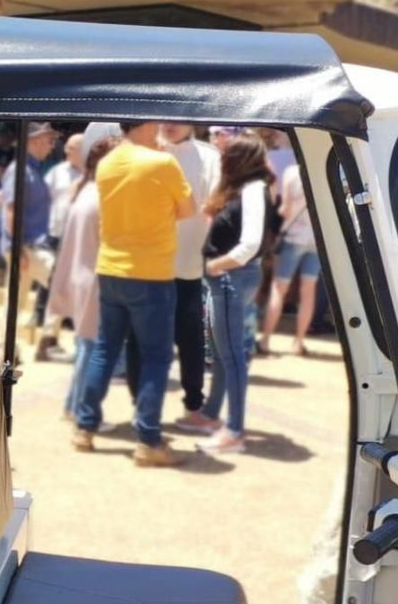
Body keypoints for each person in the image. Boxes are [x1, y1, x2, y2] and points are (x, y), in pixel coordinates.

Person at [73, 122, 194, 466]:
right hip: (151, 273)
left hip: (111, 268)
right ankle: (149, 439)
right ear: (151, 126)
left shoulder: (107, 162)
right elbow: (188, 211)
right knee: (156, 357)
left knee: (105, 349)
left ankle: (85, 427)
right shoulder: (162, 163)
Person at [198, 136, 277, 455]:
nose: (220, 158)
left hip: (231, 277)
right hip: (228, 277)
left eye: (225, 154)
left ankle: (234, 431)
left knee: (230, 356)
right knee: (223, 352)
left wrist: (216, 265)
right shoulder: (245, 188)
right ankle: (212, 414)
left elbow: (250, 244)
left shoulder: (253, 189)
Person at [47, 131, 120, 429]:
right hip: (94, 280)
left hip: (81, 278)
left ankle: (72, 405)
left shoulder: (85, 189)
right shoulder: (101, 195)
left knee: (85, 348)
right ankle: (81, 411)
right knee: (91, 350)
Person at [159, 123, 221, 431]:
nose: (168, 125)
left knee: (190, 341)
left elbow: (215, 207)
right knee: (146, 342)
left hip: (189, 267)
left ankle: (193, 405)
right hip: (148, 266)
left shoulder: (209, 158)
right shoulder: (146, 151)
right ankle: (146, 415)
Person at [0, 122, 60, 358]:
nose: (52, 147)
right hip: (27, 247)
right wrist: (19, 250)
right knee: (64, 286)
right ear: (37, 141)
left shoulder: (31, 169)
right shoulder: (20, 170)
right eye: (49, 141)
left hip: (29, 246)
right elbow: (11, 210)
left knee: (16, 301)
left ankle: (9, 349)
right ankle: (45, 342)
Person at [260, 161, 320, 356]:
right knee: (308, 292)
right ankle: (298, 341)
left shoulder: (291, 173)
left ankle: (266, 339)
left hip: (293, 236)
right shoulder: (322, 172)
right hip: (316, 240)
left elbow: (285, 209)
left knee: (279, 289)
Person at [36, 132, 83, 362]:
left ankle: (64, 326)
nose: (71, 152)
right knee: (52, 280)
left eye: (78, 148)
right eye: (73, 148)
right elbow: (43, 200)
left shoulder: (91, 174)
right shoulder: (57, 173)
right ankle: (44, 326)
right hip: (55, 233)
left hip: (79, 237)